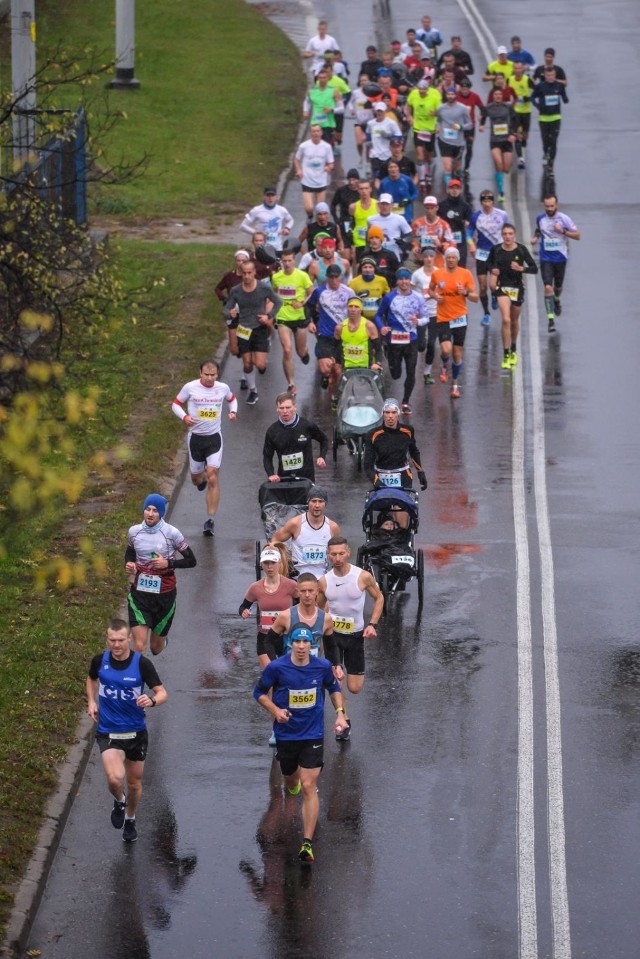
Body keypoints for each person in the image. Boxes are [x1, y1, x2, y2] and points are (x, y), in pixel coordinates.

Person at [252, 622, 347, 864]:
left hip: (313, 735)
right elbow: (259, 693)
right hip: (287, 735)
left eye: (307, 642)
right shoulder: (277, 668)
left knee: (308, 785)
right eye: (298, 641)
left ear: (312, 644)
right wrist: (275, 710)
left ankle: (307, 843)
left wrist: (339, 712)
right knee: (291, 780)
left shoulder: (322, 667)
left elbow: (334, 687)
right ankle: (291, 785)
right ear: (290, 644)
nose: (302, 646)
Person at [87, 618, 168, 843]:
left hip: (135, 733)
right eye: (112, 640)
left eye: (121, 640)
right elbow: (92, 679)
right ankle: (119, 800)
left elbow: (162, 693)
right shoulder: (99, 661)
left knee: (134, 783)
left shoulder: (141, 664)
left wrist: (151, 701)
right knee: (115, 778)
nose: (116, 645)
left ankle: (130, 818)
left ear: (129, 639)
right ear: (107, 639)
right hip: (108, 731)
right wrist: (91, 701)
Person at [317, 537, 384, 741]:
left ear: (348, 553)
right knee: (337, 679)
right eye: (333, 554)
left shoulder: (362, 576)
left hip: (355, 637)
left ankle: (343, 712)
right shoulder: (324, 581)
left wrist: (372, 624)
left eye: (341, 553)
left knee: (354, 687)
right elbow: (319, 609)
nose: (337, 558)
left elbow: (379, 597)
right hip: (333, 637)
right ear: (328, 556)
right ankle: (343, 718)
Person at [171, 360, 238, 536]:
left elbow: (232, 399)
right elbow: (175, 404)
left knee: (213, 477)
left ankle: (210, 520)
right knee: (196, 479)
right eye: (206, 375)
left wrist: (233, 412)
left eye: (213, 375)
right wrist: (184, 417)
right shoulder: (190, 387)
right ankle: (200, 481)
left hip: (214, 438)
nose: (209, 378)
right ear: (200, 373)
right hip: (196, 439)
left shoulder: (222, 388)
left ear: (217, 374)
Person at [125, 494, 197, 654]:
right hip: (140, 595)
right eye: (147, 509)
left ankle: (161, 642)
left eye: (155, 511)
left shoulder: (172, 533)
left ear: (161, 513)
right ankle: (137, 678)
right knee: (139, 646)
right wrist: (129, 563)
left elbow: (192, 561)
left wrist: (168, 563)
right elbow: (130, 552)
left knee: (155, 649)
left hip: (165, 596)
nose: (150, 514)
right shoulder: (134, 532)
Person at [223, 261, 282, 406]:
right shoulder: (236, 290)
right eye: (244, 273)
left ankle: (262, 365)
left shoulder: (263, 288)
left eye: (250, 273)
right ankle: (253, 390)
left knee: (260, 365)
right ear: (241, 273)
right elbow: (226, 309)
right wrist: (230, 313)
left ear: (254, 272)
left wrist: (269, 316)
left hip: (260, 329)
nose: (247, 276)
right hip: (243, 329)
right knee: (247, 363)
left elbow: (278, 301)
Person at [373, 268, 430, 414]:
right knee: (396, 374)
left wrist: (418, 321)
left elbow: (426, 318)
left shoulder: (418, 297)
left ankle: (405, 402)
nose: (404, 282)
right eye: (401, 279)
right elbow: (378, 315)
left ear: (410, 281)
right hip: (394, 340)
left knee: (411, 371)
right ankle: (387, 353)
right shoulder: (389, 298)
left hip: (411, 339)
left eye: (406, 279)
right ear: (397, 281)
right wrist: (382, 327)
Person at [429, 247, 479, 398]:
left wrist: (465, 292)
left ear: (457, 259)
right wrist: (435, 296)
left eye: (453, 257)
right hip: (443, 317)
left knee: (457, 354)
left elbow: (475, 297)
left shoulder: (465, 274)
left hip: (460, 317)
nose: (450, 260)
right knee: (446, 349)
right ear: (445, 258)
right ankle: (444, 366)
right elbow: (431, 290)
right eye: (448, 257)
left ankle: (455, 384)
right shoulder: (437, 274)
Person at [487, 223, 538, 369]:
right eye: (505, 234)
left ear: (514, 235)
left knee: (514, 320)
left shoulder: (521, 250)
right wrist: (493, 270)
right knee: (506, 319)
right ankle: (506, 353)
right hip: (502, 286)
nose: (507, 236)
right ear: (501, 235)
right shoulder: (496, 249)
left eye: (510, 234)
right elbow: (488, 264)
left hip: (517, 287)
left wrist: (521, 268)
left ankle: (514, 348)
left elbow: (534, 269)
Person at [239, 544, 297, 670]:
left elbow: (302, 605)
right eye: (266, 563)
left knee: (285, 676)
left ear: (280, 563)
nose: (270, 567)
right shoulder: (255, 588)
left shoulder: (291, 585)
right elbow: (243, 607)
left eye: (273, 562)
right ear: (261, 564)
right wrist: (244, 612)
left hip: (285, 637)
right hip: (264, 637)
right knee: (270, 675)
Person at [530, 193, 580, 332]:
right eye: (547, 206)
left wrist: (563, 231)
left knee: (557, 287)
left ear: (556, 205)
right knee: (547, 287)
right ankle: (550, 320)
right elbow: (538, 230)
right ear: (544, 206)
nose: (550, 209)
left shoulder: (564, 219)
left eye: (552, 206)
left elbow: (577, 235)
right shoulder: (540, 218)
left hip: (560, 258)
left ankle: (557, 299)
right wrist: (535, 237)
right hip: (545, 258)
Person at [271, 486, 340, 578]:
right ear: (308, 502)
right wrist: (282, 559)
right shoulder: (295, 524)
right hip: (298, 577)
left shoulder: (333, 527)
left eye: (320, 501)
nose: (317, 505)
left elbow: (338, 552)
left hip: (324, 577)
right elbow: (275, 540)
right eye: (314, 501)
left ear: (325, 504)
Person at [270, 250, 313, 395]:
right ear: (281, 262)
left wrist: (302, 303)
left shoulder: (302, 276)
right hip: (283, 316)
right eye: (284, 261)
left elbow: (311, 292)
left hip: (299, 317)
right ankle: (291, 383)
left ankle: (305, 352)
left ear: (294, 261)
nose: (287, 264)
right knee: (287, 350)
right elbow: (274, 292)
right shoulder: (276, 277)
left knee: (299, 352)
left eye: (289, 261)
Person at [305, 263, 351, 398]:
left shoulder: (348, 292)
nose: (334, 281)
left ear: (341, 277)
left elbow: (357, 309)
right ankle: (326, 377)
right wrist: (310, 322)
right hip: (325, 334)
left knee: (338, 370)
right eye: (331, 278)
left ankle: (336, 397)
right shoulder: (319, 291)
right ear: (326, 278)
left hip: (342, 336)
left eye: (337, 278)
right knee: (325, 368)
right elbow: (308, 306)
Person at [263, 391, 328, 483]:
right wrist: (271, 474)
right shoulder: (272, 431)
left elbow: (324, 439)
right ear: (277, 409)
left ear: (295, 407)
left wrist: (322, 456)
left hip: (307, 480)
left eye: (288, 407)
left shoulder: (306, 426)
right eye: (281, 408)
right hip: (284, 480)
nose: (285, 411)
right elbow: (267, 457)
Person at [365, 397, 427, 491]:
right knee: (383, 505)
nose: (390, 416)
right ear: (383, 414)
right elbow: (367, 464)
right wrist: (375, 480)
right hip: (381, 477)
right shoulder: (373, 434)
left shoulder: (408, 431)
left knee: (401, 505)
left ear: (398, 414)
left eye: (393, 412)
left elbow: (413, 451)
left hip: (403, 477)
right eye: (387, 412)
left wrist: (420, 471)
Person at [467, 190, 509, 326]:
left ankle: (495, 296)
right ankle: (486, 313)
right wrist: (471, 245)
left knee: (493, 285)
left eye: (489, 201)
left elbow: (508, 232)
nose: (487, 204)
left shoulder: (502, 215)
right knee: (483, 286)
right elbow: (468, 234)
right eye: (484, 201)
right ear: (481, 202)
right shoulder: (475, 216)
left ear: (493, 202)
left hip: (496, 252)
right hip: (482, 253)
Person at [479, 87, 516, 204]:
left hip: (506, 140)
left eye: (500, 94)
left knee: (506, 168)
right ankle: (501, 192)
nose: (498, 96)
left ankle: (500, 179)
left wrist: (513, 134)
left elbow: (515, 120)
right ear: (493, 96)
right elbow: (483, 116)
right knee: (498, 164)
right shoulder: (488, 107)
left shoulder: (508, 107)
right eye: (496, 94)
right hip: (495, 140)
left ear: (502, 96)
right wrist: (481, 125)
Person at [405, 78, 441, 190]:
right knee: (420, 156)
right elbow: (408, 105)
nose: (421, 93)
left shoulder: (434, 97)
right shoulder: (414, 94)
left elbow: (441, 112)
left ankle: (428, 175)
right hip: (418, 128)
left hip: (430, 129)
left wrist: (435, 114)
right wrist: (409, 116)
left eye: (423, 91)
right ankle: (421, 180)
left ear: (427, 90)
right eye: (420, 90)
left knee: (428, 157)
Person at [411, 243, 439, 383]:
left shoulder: (439, 273)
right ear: (422, 258)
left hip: (435, 313)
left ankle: (427, 372)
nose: (429, 259)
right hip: (421, 313)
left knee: (432, 343)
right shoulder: (417, 274)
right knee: (421, 345)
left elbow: (444, 290)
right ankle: (415, 366)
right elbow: (409, 291)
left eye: (431, 256)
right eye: (426, 256)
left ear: (435, 258)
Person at [531, 66, 569, 170]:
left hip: (556, 117)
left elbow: (564, 96)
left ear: (555, 75)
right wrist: (537, 106)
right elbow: (532, 97)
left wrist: (565, 99)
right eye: (548, 75)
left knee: (553, 141)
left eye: (552, 75)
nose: (550, 77)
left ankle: (551, 164)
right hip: (543, 118)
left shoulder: (559, 86)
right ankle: (545, 153)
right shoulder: (540, 86)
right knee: (545, 141)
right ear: (545, 76)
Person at [294, 125, 335, 218]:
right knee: (309, 208)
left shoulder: (327, 147)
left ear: (321, 133)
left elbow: (331, 162)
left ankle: (316, 227)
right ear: (310, 133)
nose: (316, 133)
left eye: (317, 131)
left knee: (320, 209)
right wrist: (299, 170)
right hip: (307, 180)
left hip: (321, 181)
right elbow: (296, 159)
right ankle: (309, 216)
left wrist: (329, 167)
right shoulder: (304, 146)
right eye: (313, 131)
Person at [436, 87, 472, 188]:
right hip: (444, 140)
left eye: (452, 94)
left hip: (458, 142)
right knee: (447, 167)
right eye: (448, 94)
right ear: (446, 95)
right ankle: (449, 190)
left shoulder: (463, 108)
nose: (450, 96)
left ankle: (457, 187)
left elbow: (470, 124)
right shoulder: (441, 108)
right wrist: (438, 127)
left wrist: (460, 127)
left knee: (456, 167)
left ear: (456, 95)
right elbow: (438, 120)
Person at [240, 187, 294, 254]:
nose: (270, 198)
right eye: (268, 195)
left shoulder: (282, 210)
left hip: (277, 248)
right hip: (261, 248)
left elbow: (290, 220)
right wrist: (257, 233)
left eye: (272, 195)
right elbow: (242, 226)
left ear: (276, 197)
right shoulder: (256, 210)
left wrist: (287, 228)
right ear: (264, 197)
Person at [334, 297, 383, 370]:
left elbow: (378, 349)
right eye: (350, 306)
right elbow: (336, 347)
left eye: (356, 307)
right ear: (347, 309)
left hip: (366, 367)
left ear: (361, 310)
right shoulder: (339, 327)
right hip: (347, 368)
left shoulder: (369, 326)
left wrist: (377, 363)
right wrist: (337, 363)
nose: (353, 309)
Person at [366, 193, 413, 261]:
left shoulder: (400, 219)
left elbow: (410, 236)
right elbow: (368, 237)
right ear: (378, 205)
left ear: (392, 205)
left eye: (387, 204)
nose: (384, 207)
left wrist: (403, 241)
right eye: (382, 204)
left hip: (395, 252)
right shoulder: (371, 220)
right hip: (377, 253)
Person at [437, 179, 473, 267]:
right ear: (447, 190)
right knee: (443, 265)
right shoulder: (441, 205)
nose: (454, 190)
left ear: (460, 190)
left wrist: (471, 243)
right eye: (452, 188)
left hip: (460, 240)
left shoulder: (465, 206)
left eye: (457, 188)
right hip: (445, 240)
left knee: (460, 265)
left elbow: (470, 225)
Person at [411, 195, 456, 264]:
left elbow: (452, 244)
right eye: (427, 208)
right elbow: (413, 239)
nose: (429, 211)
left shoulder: (444, 225)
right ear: (424, 208)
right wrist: (415, 246)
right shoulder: (417, 223)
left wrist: (441, 245)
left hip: (438, 261)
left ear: (437, 208)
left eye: (432, 208)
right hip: (421, 259)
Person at [303, 67, 342, 146]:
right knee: (315, 145)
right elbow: (306, 102)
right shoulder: (312, 91)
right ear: (317, 79)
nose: (322, 80)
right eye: (320, 78)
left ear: (328, 78)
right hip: (315, 122)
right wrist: (305, 111)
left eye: (324, 78)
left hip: (328, 123)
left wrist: (331, 110)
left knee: (326, 145)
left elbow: (341, 108)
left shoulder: (334, 91)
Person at [366, 102, 402, 180]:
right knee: (377, 176)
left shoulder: (391, 123)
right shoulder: (370, 123)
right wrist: (369, 145)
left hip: (387, 154)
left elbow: (399, 136)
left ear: (385, 111)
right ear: (375, 111)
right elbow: (368, 135)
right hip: (375, 154)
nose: (379, 113)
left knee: (386, 176)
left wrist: (388, 136)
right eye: (378, 111)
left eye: (381, 111)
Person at [508, 61, 535, 168]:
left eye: (520, 68)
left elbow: (537, 91)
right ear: (513, 70)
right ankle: (520, 158)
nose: (518, 71)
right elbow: (505, 91)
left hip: (526, 111)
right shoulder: (509, 80)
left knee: (525, 135)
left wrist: (527, 98)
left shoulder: (527, 80)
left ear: (522, 69)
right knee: (517, 135)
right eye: (516, 68)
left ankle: (523, 147)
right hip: (515, 112)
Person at [456, 78, 484, 176]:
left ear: (469, 89)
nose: (464, 91)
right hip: (458, 127)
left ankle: (466, 168)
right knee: (458, 148)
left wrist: (481, 121)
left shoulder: (475, 96)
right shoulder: (455, 96)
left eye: (466, 89)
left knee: (469, 147)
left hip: (470, 127)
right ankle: (457, 167)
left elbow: (483, 109)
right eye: (463, 89)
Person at [330, 169, 360, 259]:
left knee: (355, 255)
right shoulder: (341, 191)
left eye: (354, 180)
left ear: (358, 180)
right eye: (349, 180)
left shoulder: (361, 192)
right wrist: (336, 220)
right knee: (345, 254)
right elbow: (332, 205)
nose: (351, 182)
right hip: (344, 223)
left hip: (358, 224)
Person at [348, 180, 379, 260]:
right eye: (361, 189)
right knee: (358, 263)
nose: (364, 191)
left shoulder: (377, 205)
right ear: (358, 190)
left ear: (370, 189)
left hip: (373, 239)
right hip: (359, 240)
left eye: (366, 188)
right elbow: (350, 221)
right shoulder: (353, 207)